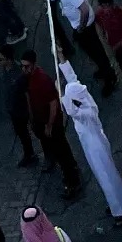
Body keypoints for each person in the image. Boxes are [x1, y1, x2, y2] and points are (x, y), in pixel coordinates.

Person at [60, 78, 122, 224]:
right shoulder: (85, 99)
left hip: (95, 148)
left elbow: (72, 112)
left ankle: (120, 212)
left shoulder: (86, 112)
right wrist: (62, 60)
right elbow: (72, 78)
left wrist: (60, 94)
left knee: (106, 178)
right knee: (108, 176)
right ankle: (119, 203)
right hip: (95, 145)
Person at [21, 48, 81, 197]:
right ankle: (72, 166)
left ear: (33, 65)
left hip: (52, 123)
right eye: (22, 66)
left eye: (26, 66)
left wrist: (49, 125)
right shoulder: (30, 78)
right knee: (62, 149)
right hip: (42, 120)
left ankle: (72, 183)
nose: (24, 69)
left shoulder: (42, 80)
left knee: (60, 152)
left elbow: (53, 103)